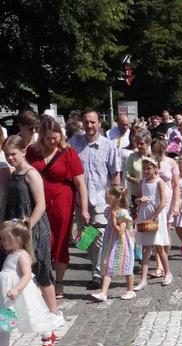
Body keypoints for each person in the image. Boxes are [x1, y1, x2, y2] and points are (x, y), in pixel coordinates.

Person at [3, 136, 64, 327]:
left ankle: (54, 314)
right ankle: (13, 323)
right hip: (15, 232)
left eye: (13, 154)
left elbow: (41, 205)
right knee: (13, 274)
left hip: (33, 231)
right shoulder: (13, 175)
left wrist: (26, 228)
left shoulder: (31, 173)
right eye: (7, 155)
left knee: (42, 272)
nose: (10, 158)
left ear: (23, 152)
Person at [26, 117, 89, 299]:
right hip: (38, 202)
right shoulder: (32, 152)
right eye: (48, 138)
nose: (52, 141)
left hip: (62, 202)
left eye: (55, 138)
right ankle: (42, 279)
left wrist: (83, 208)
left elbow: (80, 183)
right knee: (40, 241)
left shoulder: (68, 153)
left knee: (60, 242)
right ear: (42, 137)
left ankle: (58, 282)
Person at [69, 109, 121, 288]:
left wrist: (116, 200)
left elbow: (115, 174)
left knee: (99, 238)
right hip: (80, 200)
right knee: (87, 239)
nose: (89, 125)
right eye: (86, 122)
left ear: (99, 123)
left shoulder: (108, 146)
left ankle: (98, 274)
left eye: (93, 122)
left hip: (101, 200)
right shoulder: (74, 143)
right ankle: (96, 269)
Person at [0, 219, 57, 346]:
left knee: (34, 316)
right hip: (7, 294)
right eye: (2, 239)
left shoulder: (22, 256)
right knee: (6, 318)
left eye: (6, 239)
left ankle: (47, 336)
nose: (2, 242)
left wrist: (16, 289)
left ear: (18, 239)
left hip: (21, 294)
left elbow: (26, 276)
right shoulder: (11, 254)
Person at [91, 186, 135, 302]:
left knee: (127, 266)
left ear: (114, 197)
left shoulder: (123, 212)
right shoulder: (109, 210)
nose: (105, 197)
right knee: (108, 266)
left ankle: (130, 290)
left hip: (121, 244)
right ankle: (103, 293)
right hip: (110, 243)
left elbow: (120, 231)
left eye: (107, 195)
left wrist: (114, 219)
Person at [134, 158, 171, 290]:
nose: (146, 171)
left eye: (148, 169)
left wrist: (154, 216)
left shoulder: (159, 182)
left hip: (155, 216)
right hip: (144, 214)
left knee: (158, 247)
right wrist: (140, 200)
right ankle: (143, 280)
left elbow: (163, 202)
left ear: (155, 169)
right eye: (144, 169)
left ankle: (167, 273)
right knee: (145, 248)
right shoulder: (142, 182)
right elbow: (137, 198)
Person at [151, 139, 180, 277]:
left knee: (166, 232)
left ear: (164, 150)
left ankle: (164, 262)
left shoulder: (171, 163)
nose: (157, 154)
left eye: (160, 151)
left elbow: (176, 185)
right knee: (156, 232)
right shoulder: (150, 162)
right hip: (154, 199)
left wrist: (176, 203)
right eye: (155, 151)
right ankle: (159, 265)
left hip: (167, 200)